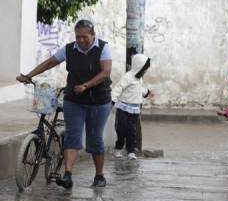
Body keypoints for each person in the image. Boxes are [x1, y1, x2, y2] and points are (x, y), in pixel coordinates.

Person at [16, 19, 112, 189]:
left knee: (94, 139)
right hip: (74, 100)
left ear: (93, 36)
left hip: (98, 101)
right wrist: (28, 76)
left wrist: (86, 85)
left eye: (85, 37)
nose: (81, 41)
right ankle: (67, 175)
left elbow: (105, 73)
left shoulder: (103, 48)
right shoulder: (69, 49)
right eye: (78, 37)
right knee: (72, 136)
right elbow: (49, 63)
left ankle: (99, 175)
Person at [111, 54, 151, 160]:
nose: (145, 71)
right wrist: (112, 100)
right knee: (121, 129)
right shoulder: (127, 77)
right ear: (139, 67)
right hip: (123, 107)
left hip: (134, 109)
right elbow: (118, 88)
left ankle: (131, 151)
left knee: (132, 130)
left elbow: (140, 89)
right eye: (144, 69)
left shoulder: (139, 79)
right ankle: (118, 148)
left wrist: (146, 93)